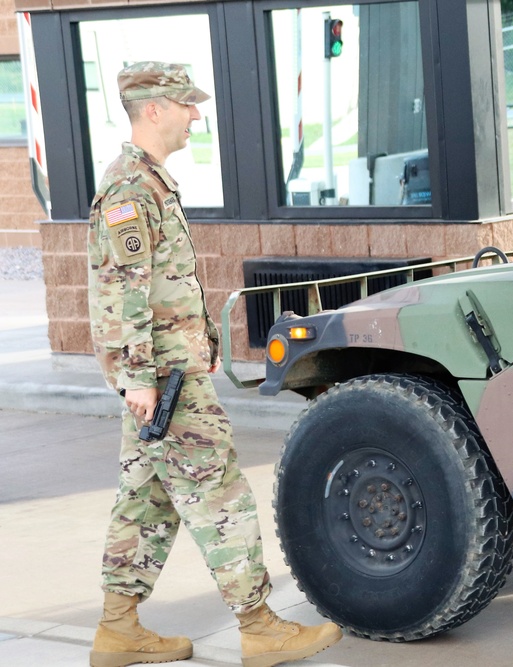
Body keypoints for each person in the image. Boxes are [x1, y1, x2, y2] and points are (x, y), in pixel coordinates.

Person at [86, 62, 342, 667]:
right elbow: (122, 291)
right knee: (221, 494)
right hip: (166, 382)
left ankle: (118, 628)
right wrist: (140, 378)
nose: (195, 116)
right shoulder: (130, 190)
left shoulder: (149, 182)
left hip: (161, 378)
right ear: (154, 110)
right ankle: (259, 627)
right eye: (186, 105)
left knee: (146, 499)